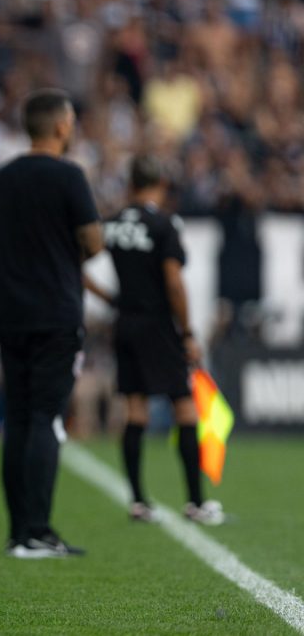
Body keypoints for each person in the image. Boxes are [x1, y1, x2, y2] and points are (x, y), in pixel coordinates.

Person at [0, 89, 103, 559]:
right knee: (46, 418)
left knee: (19, 418)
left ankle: (18, 531)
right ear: (62, 126)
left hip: (12, 316)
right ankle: (37, 532)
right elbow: (95, 241)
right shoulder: (70, 176)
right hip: (58, 314)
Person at [84, 155, 224, 525]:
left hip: (125, 322)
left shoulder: (111, 224)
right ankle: (195, 501)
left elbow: (76, 262)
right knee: (184, 407)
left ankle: (138, 501)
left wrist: (109, 298)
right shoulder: (163, 224)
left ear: (130, 185)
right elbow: (174, 282)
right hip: (159, 324)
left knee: (135, 409)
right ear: (160, 185)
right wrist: (189, 332)